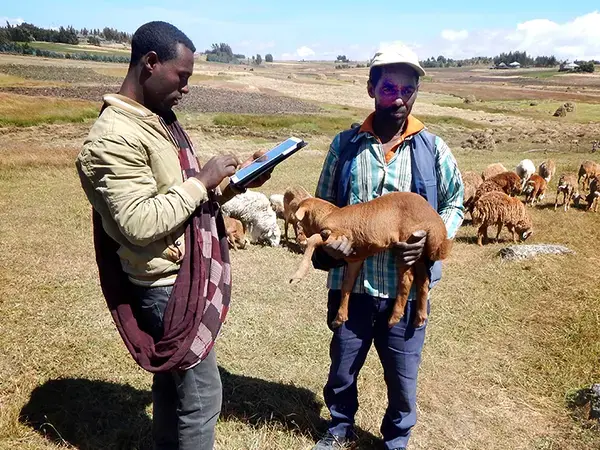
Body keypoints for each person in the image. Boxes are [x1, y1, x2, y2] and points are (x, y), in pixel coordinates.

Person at [76, 21, 270, 450]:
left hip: (178, 273)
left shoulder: (155, 122)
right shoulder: (114, 138)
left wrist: (237, 184)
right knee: (201, 400)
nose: (186, 88)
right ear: (150, 63)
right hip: (164, 285)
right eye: (181, 77)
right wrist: (201, 181)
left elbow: (180, 202)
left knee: (173, 388)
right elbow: (140, 224)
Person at [310, 44, 464, 450]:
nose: (398, 98)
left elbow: (455, 203)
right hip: (353, 285)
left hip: (406, 290)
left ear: (415, 94)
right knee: (342, 365)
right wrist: (330, 244)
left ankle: (396, 439)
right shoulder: (345, 147)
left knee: (402, 374)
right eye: (388, 88)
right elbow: (325, 204)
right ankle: (339, 427)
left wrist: (431, 240)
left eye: (407, 90)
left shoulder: (433, 150)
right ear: (370, 89)